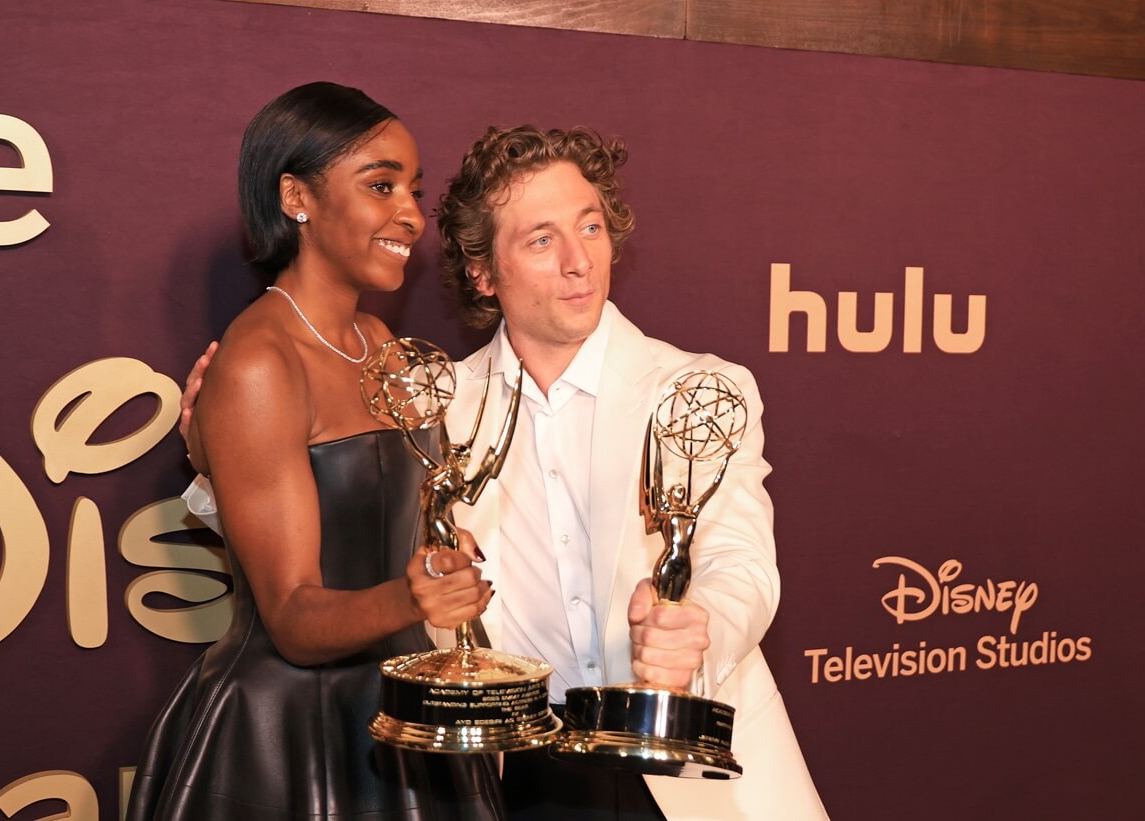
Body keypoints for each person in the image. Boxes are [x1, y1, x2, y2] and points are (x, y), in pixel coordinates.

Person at [181, 125, 827, 819]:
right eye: (542, 240)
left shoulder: (697, 388)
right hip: (511, 776)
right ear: (484, 272)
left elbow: (743, 563)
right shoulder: (433, 404)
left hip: (686, 773)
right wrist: (217, 454)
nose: (580, 261)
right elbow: (344, 534)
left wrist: (699, 632)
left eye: (591, 226)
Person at [126, 82, 504, 821]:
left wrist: (436, 550)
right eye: (380, 184)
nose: (409, 214)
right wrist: (413, 594)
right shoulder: (260, 363)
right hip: (284, 740)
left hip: (401, 714)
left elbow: (389, 522)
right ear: (296, 197)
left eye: (413, 190)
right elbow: (294, 619)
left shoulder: (386, 347)